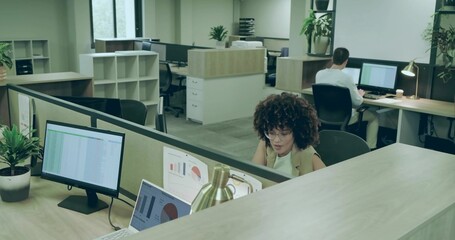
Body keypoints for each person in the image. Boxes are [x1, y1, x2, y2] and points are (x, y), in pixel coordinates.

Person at [315, 47, 379, 149]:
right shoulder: (346, 78)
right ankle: (371, 148)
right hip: (344, 118)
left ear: (332, 58)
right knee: (374, 116)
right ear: (346, 61)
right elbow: (357, 103)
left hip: (324, 116)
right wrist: (360, 95)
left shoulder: (319, 74)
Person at [252, 92, 326, 177]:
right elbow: (253, 176)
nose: (276, 140)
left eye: (284, 134)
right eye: (271, 133)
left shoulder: (308, 155)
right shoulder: (265, 143)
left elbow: (328, 182)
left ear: (297, 132)